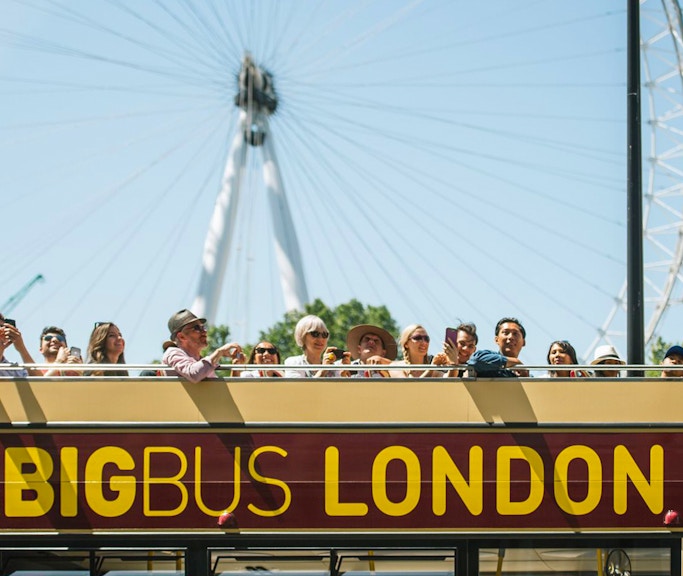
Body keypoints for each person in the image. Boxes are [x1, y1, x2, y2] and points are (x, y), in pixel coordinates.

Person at [162, 309, 244, 383]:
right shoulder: (173, 353)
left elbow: (218, 392)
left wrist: (236, 366)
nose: (204, 331)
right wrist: (219, 352)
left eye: (203, 327)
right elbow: (194, 375)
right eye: (197, 328)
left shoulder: (202, 362)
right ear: (181, 336)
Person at [284, 315, 350, 377]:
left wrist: (343, 374)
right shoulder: (294, 362)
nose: (321, 339)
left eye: (325, 335)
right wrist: (323, 370)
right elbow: (298, 389)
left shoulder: (334, 368)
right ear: (302, 336)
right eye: (315, 334)